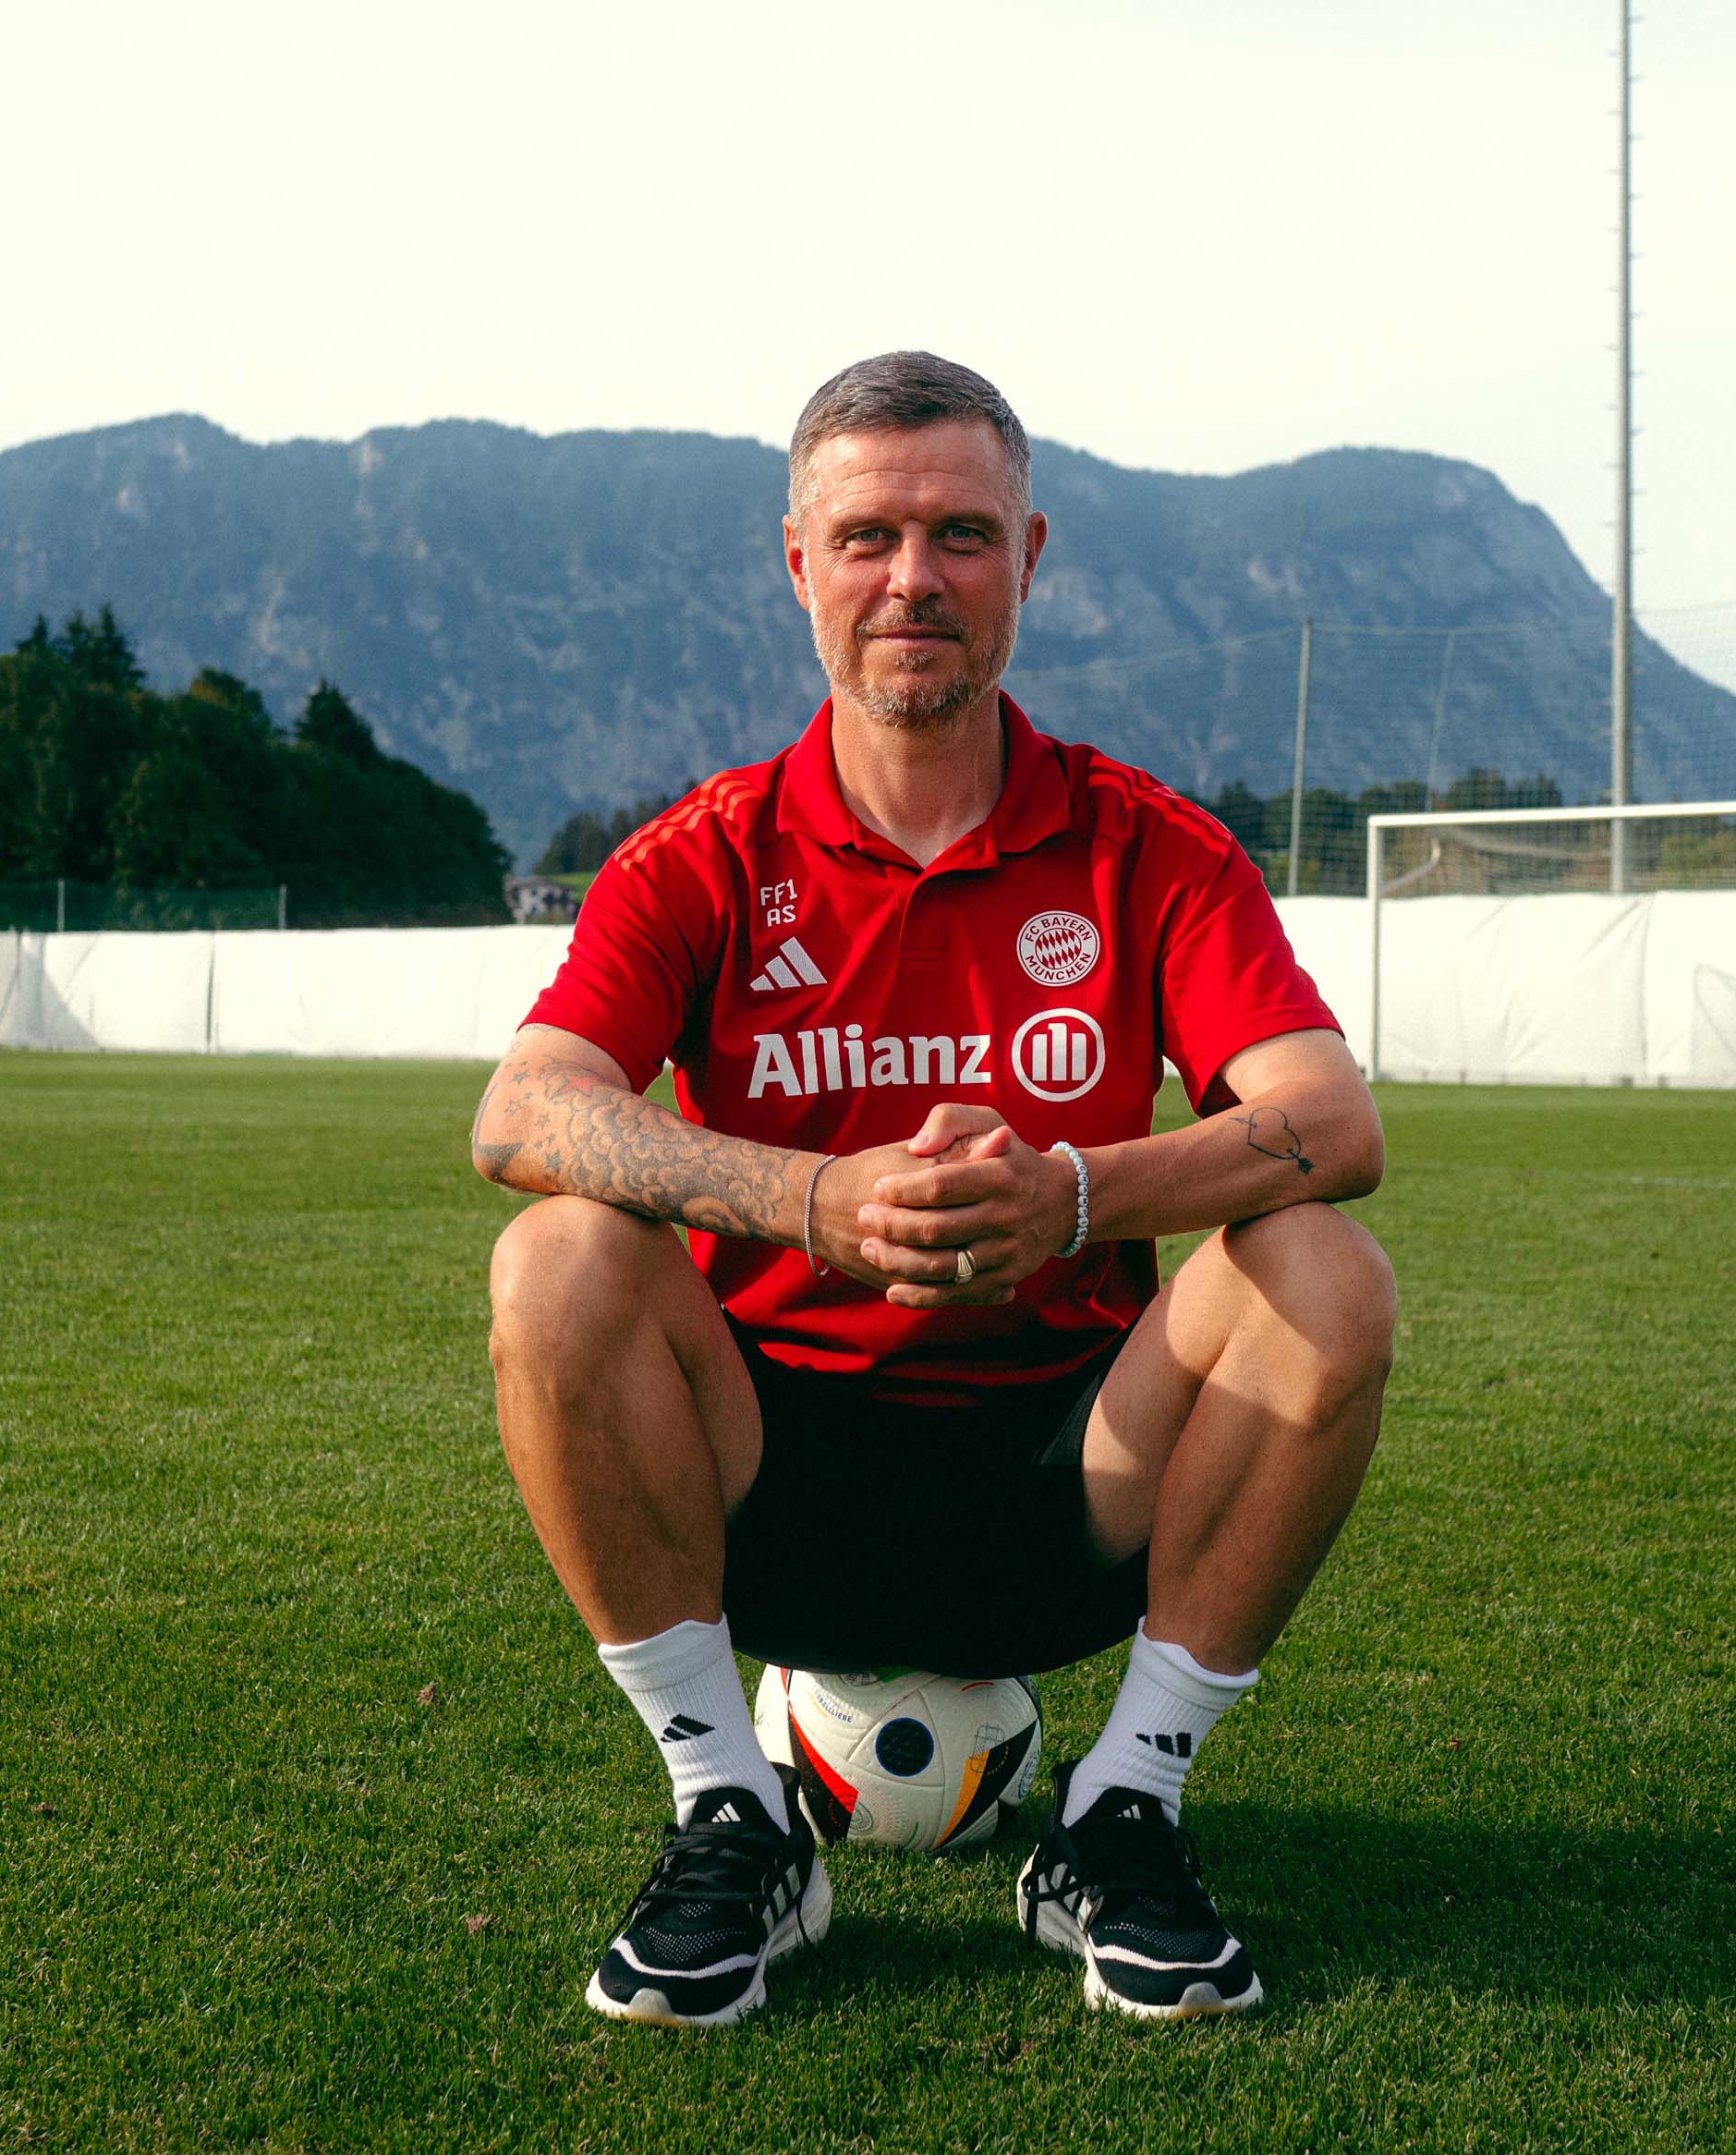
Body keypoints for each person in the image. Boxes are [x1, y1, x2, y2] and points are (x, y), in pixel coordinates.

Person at [472, 351, 1395, 2028]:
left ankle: (1123, 1815)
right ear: (799, 563)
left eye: (961, 534)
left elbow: (1329, 1121)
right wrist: (809, 1204)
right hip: (764, 1479)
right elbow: (522, 1112)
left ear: (1028, 560)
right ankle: (726, 1815)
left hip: (1073, 1469)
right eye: (871, 536)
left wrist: (1071, 1195)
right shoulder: (703, 854)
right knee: (555, 1257)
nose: (916, 578)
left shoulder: (1147, 849)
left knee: (1321, 1266)